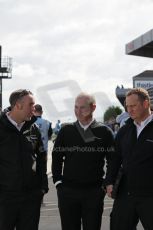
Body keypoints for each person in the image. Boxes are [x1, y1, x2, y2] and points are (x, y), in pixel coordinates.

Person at [52, 92, 114, 230]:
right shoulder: (66, 130)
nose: (78, 112)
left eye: (82, 108)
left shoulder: (104, 132)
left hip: (94, 192)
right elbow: (56, 157)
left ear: (93, 107)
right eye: (75, 107)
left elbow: (112, 160)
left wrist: (106, 182)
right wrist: (58, 182)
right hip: (67, 191)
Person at [0, 89, 49, 230]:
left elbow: (41, 159)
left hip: (30, 197)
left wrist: (42, 187)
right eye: (31, 105)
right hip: (5, 198)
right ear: (18, 105)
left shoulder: (34, 129)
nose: (34, 109)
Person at [106, 87, 153, 230]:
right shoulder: (125, 130)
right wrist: (109, 181)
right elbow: (115, 158)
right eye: (127, 106)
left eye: (133, 106)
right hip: (126, 193)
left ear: (146, 104)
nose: (129, 110)